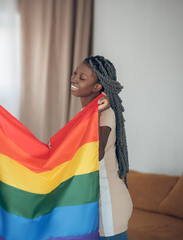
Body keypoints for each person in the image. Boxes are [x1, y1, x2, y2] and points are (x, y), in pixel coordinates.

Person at [70, 55, 133, 240]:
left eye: (82, 78)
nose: (74, 79)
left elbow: (95, 153)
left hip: (110, 203)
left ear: (97, 87)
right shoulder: (86, 113)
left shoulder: (105, 113)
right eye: (75, 73)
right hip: (95, 203)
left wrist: (95, 113)